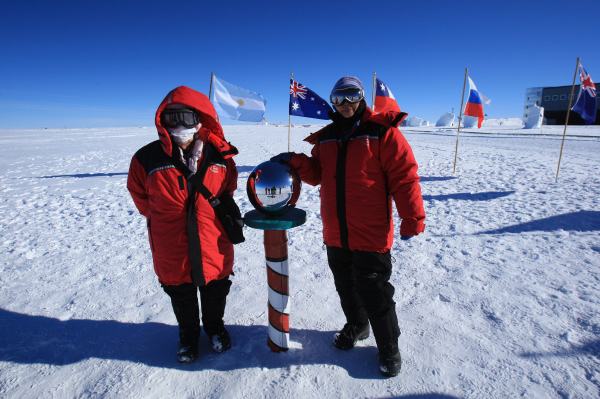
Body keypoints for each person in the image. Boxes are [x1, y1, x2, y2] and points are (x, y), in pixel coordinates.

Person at [271, 76, 425, 377]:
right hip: (335, 232)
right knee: (345, 286)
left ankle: (389, 348)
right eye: (338, 98)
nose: (345, 104)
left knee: (375, 291)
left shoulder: (382, 134)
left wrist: (412, 217)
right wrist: (295, 161)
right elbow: (317, 173)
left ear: (362, 97)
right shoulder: (326, 138)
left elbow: (404, 177)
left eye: (351, 96)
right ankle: (357, 325)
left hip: (370, 232)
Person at [127, 86, 240, 363]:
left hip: (212, 240)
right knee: (181, 294)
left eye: (186, 118)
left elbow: (228, 190)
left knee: (215, 289)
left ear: (201, 120)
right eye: (171, 118)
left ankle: (215, 329)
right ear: (162, 122)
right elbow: (140, 196)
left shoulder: (220, 156)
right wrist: (164, 219)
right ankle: (188, 338)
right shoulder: (146, 159)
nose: (179, 125)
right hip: (171, 245)